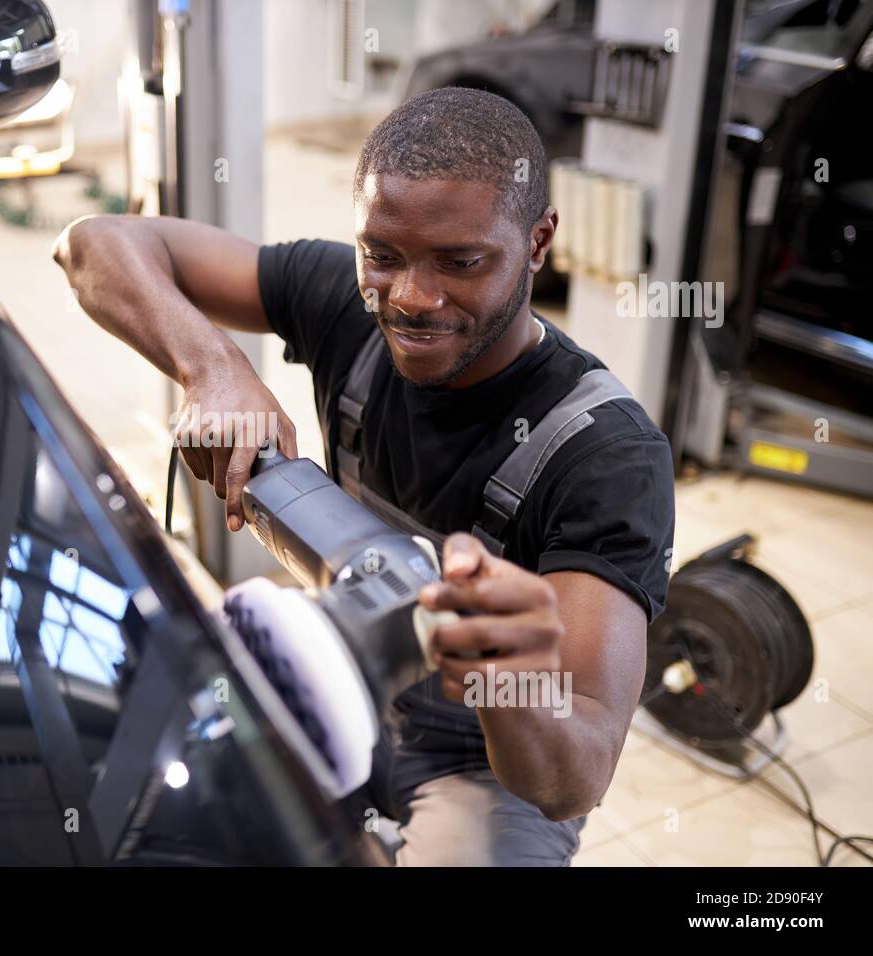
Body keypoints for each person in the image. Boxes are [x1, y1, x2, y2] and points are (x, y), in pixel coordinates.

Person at [52, 87, 675, 865]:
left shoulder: (606, 455)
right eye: (382, 254)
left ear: (539, 241)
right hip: (333, 675)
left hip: (481, 761)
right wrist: (212, 368)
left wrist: (502, 677)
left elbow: (575, 776)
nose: (412, 298)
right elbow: (91, 244)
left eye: (462, 262)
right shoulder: (341, 303)